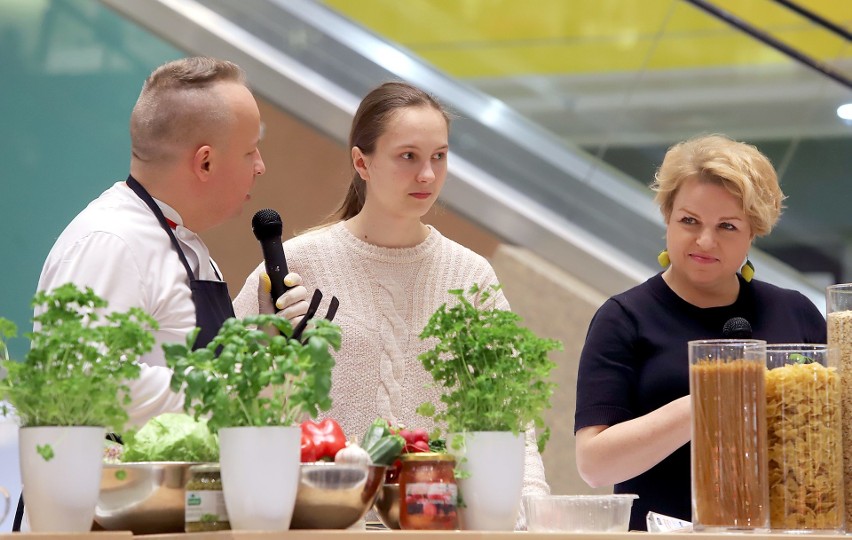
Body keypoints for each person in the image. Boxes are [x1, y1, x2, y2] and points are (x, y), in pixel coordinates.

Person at [233, 81, 550, 526]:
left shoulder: (470, 275)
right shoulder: (294, 266)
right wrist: (268, 349)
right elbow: (228, 398)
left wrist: (531, 515)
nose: (427, 174)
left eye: (439, 155)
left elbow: (512, 418)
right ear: (362, 162)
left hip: (437, 525)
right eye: (408, 156)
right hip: (317, 524)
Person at [35, 57, 308, 427]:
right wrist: (233, 387)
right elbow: (82, 385)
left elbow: (179, 366)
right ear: (205, 163)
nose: (260, 166)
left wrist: (264, 341)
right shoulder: (111, 241)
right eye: (250, 151)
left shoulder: (184, 242)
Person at [573, 134, 826, 531]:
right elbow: (594, 465)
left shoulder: (795, 313)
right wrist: (710, 399)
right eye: (689, 221)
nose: (705, 241)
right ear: (667, 217)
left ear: (753, 232)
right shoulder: (624, 317)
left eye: (727, 226)